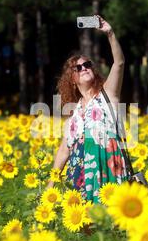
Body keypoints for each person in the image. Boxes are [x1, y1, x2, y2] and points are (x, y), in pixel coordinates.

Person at [46, 15, 128, 203]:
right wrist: (51, 184)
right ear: (72, 80)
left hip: (106, 165)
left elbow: (119, 63)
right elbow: (63, 151)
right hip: (79, 172)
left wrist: (110, 33)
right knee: (84, 225)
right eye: (78, 68)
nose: (84, 68)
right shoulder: (75, 114)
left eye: (87, 64)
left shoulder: (108, 94)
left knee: (110, 220)